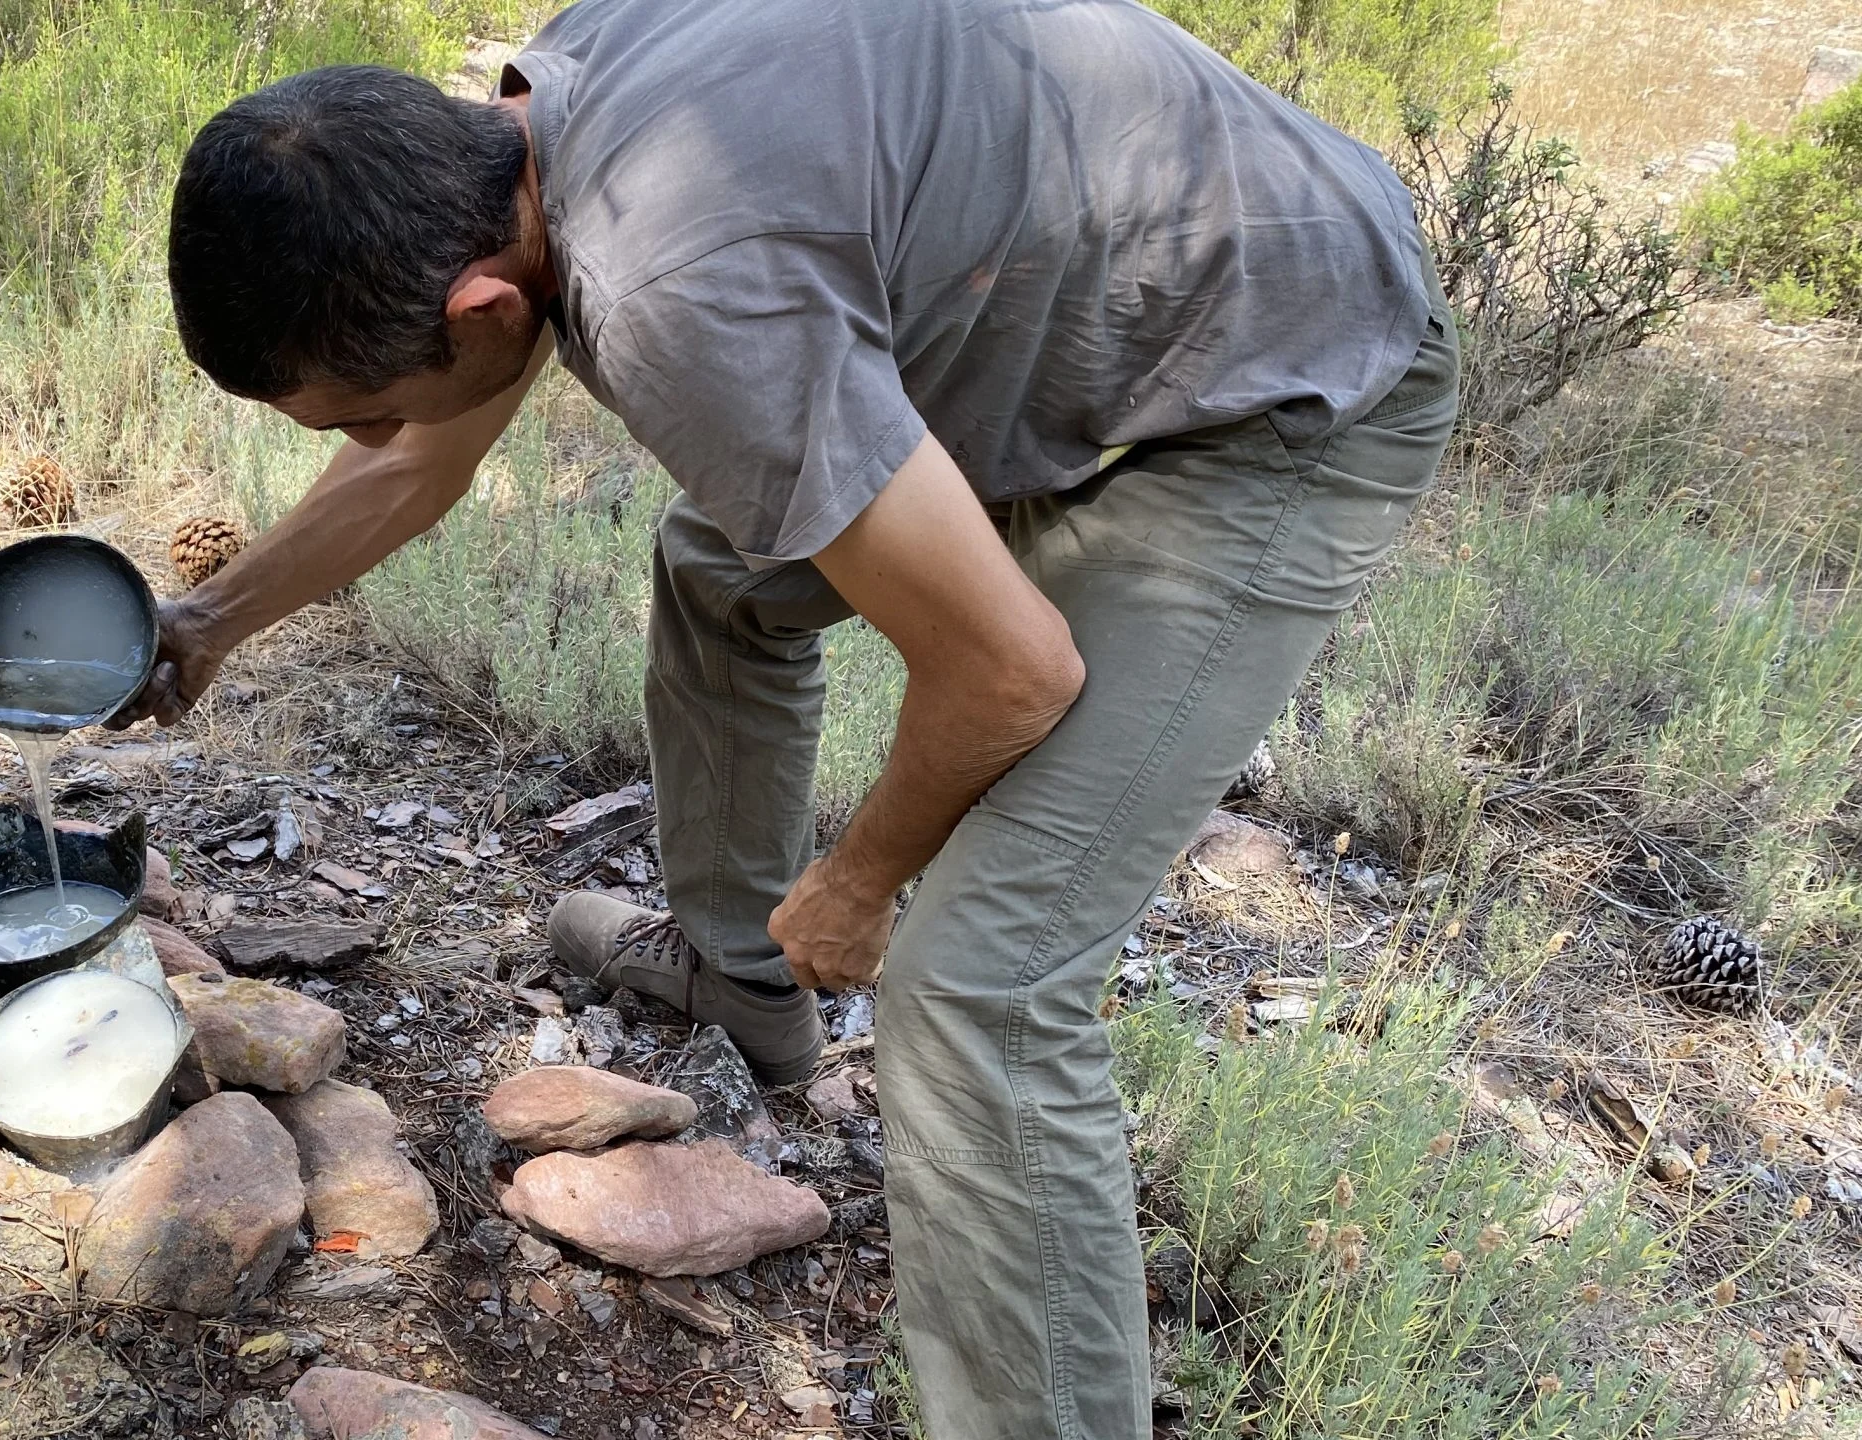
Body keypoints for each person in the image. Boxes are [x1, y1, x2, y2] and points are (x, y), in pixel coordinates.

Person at [127, 0, 1457, 1432]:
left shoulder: (678, 295)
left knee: (981, 990)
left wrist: (860, 880)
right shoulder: (536, 118)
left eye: (355, 413)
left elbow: (1011, 674)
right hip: (1096, 299)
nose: (367, 443)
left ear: (481, 309)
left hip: (1273, 386)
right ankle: (745, 984)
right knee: (723, 575)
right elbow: (422, 461)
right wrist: (204, 626)